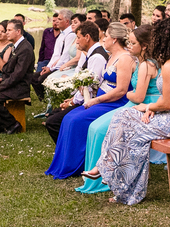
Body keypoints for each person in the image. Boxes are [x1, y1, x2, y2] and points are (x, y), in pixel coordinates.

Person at [94, 18, 170, 205]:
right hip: (167, 115)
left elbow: (167, 104)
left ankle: (128, 187)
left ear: (164, 39)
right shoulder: (169, 62)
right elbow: (165, 101)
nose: (153, 40)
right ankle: (108, 167)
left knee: (134, 134)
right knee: (122, 115)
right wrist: (152, 110)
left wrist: (147, 107)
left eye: (156, 37)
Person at [46, 23, 136, 178]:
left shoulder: (124, 59)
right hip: (103, 100)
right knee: (68, 118)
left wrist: (96, 101)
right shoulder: (111, 56)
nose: (104, 39)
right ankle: (66, 163)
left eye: (106, 36)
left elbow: (121, 90)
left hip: (114, 103)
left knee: (76, 121)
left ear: (114, 39)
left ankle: (78, 165)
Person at [78, 25, 159, 194]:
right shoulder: (139, 62)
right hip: (133, 104)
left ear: (144, 46)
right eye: (129, 42)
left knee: (101, 129)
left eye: (133, 43)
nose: (128, 45)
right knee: (94, 127)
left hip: (141, 106)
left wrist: (127, 93)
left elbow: (137, 96)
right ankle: (97, 174)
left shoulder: (147, 65)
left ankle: (106, 175)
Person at [44, 21, 107, 142]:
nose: (76, 41)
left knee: (53, 122)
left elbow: (90, 88)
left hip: (92, 102)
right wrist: (72, 99)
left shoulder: (97, 57)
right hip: (85, 99)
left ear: (87, 37)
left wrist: (72, 103)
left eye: (78, 37)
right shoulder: (91, 54)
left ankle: (70, 148)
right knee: (53, 114)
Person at [0, 19, 36, 134]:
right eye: (6, 30)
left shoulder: (25, 49)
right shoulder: (16, 46)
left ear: (18, 32)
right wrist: (2, 79)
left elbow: (18, 76)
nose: (6, 32)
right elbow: (8, 69)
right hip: (12, 83)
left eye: (9, 30)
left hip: (20, 87)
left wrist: (0, 87)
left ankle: (12, 124)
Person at [33, 10, 76, 99]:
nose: (57, 21)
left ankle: (48, 100)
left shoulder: (70, 35)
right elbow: (55, 55)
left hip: (62, 67)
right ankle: (44, 100)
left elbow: (65, 57)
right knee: (33, 78)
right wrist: (48, 67)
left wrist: (50, 69)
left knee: (41, 79)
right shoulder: (62, 34)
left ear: (67, 21)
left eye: (59, 19)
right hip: (54, 66)